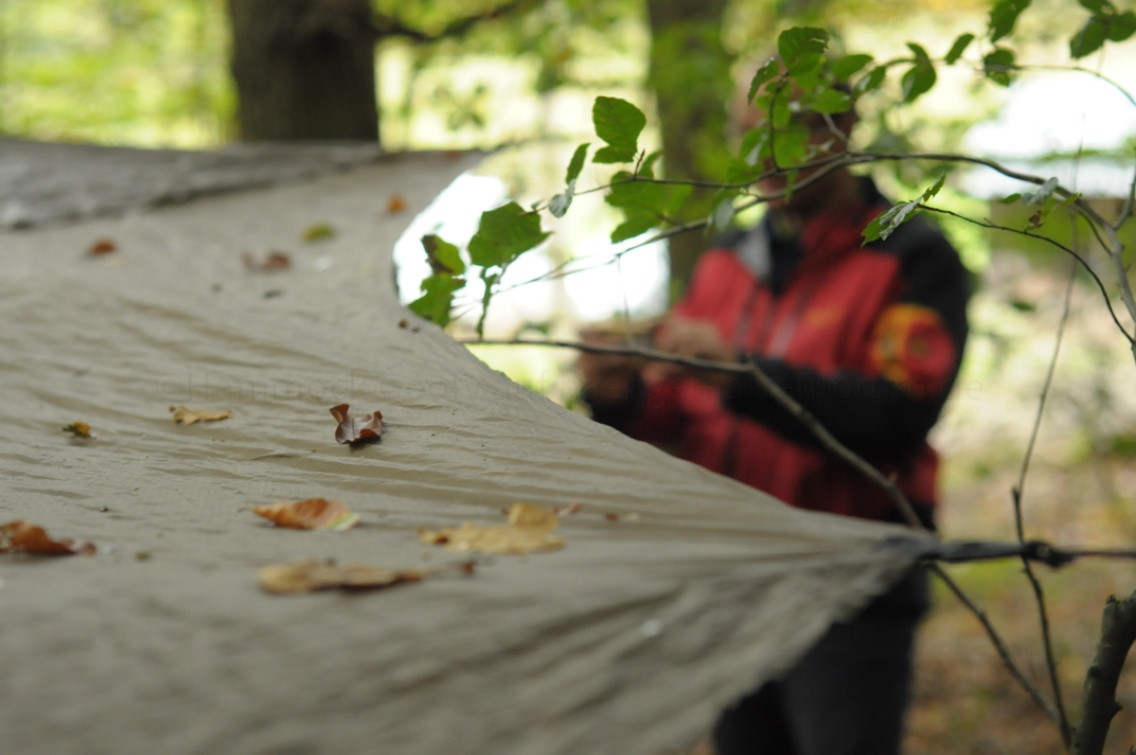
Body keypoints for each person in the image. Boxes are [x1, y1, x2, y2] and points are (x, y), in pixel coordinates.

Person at [578, 88, 970, 754]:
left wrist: (745, 375)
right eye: (748, 134)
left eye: (786, 134)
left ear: (842, 129)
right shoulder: (728, 256)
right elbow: (679, 412)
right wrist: (616, 395)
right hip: (733, 576)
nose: (764, 155)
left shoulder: (912, 255)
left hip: (849, 583)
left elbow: (897, 415)